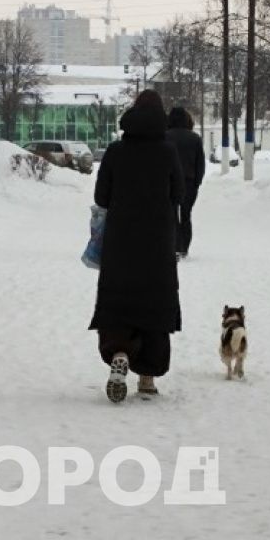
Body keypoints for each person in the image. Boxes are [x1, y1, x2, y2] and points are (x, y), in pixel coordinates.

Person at [90, 90, 184, 403]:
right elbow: (178, 194)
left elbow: (102, 196)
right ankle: (147, 379)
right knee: (154, 306)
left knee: (119, 303)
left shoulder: (116, 151)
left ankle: (120, 352)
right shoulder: (168, 152)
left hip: (120, 242)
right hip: (157, 242)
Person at [166, 106, 205, 259]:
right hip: (189, 183)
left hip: (170, 182)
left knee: (173, 214)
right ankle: (184, 247)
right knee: (186, 215)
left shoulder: (165, 137)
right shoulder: (195, 138)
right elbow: (200, 164)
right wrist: (197, 182)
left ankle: (175, 245)